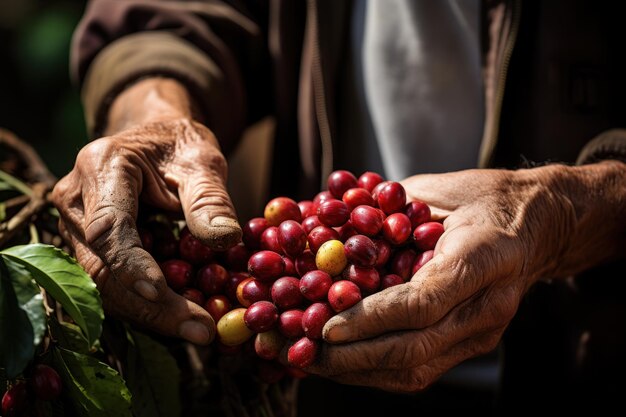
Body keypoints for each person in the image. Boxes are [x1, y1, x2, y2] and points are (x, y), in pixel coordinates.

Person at [53, 0, 626, 414]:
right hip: (334, 390)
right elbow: (179, 14)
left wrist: (561, 216)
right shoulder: (325, 254)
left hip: (587, 369)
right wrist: (153, 111)